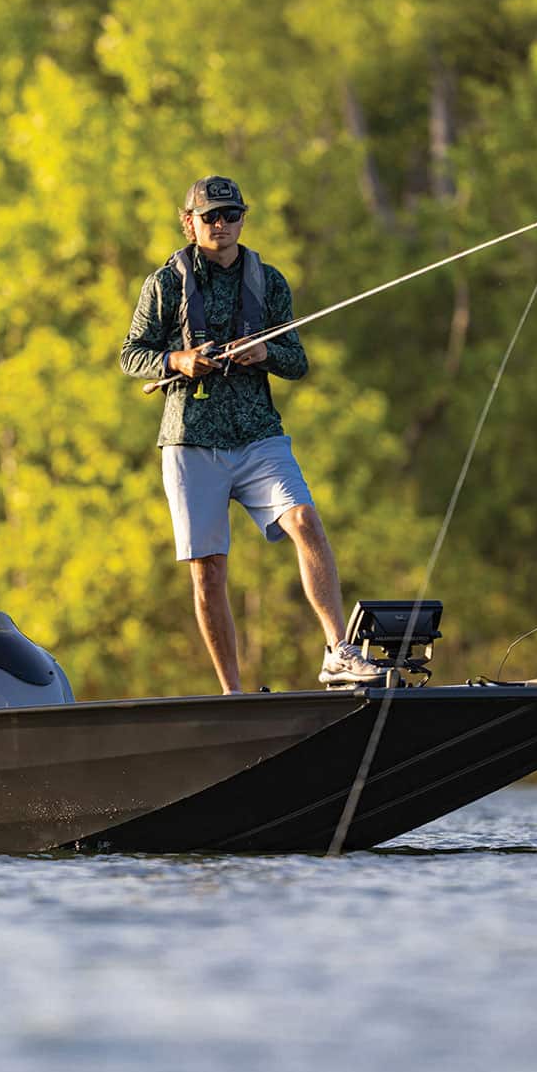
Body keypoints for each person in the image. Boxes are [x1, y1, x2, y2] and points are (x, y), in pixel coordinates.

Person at [119, 175, 381, 692]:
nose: (220, 225)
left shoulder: (270, 280)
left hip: (259, 433)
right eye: (210, 216)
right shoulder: (164, 283)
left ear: (242, 219)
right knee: (208, 571)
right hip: (190, 440)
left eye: (230, 215)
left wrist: (265, 353)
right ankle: (233, 692)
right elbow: (132, 355)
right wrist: (179, 359)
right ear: (189, 222)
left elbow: (297, 361)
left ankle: (337, 651)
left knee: (305, 519)